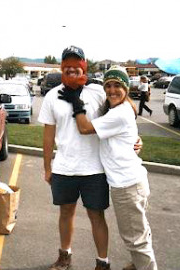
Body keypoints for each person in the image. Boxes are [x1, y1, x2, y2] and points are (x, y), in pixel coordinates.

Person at [58, 65, 158, 270]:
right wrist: (136, 141)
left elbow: (85, 128)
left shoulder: (120, 113)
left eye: (117, 86)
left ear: (127, 88)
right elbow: (125, 137)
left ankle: (145, 266)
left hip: (127, 186)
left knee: (135, 238)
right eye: (108, 85)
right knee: (138, 232)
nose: (112, 90)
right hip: (134, 182)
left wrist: (76, 103)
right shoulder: (121, 109)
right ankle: (138, 263)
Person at [38, 45, 111, 270]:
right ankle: (65, 256)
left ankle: (102, 262)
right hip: (64, 168)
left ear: (83, 67)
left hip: (95, 169)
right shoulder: (52, 96)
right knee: (66, 213)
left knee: (96, 215)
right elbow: (48, 136)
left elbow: (121, 116)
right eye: (66, 65)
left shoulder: (98, 93)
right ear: (62, 67)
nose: (71, 69)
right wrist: (47, 168)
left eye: (76, 65)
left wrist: (135, 141)